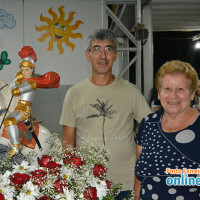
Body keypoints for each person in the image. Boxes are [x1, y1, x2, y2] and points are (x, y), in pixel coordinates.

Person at [60, 29, 152, 199]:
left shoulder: (131, 91)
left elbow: (151, 127)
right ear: (88, 55)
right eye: (96, 49)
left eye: (108, 49)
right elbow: (67, 142)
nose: (102, 56)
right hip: (88, 184)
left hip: (126, 182)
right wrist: (71, 180)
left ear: (115, 55)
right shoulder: (74, 94)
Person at [134, 60, 200, 200]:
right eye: (167, 89)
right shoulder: (148, 123)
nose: (173, 95)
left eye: (180, 89)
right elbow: (139, 177)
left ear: (192, 94)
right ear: (158, 93)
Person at [3, 46, 60, 159]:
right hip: (18, 108)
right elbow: (10, 86)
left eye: (27, 70)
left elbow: (14, 91)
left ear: (32, 70)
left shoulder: (31, 83)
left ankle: (15, 145)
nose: (24, 73)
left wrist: (17, 79)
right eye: (22, 70)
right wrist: (16, 78)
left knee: (9, 121)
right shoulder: (24, 81)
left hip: (24, 110)